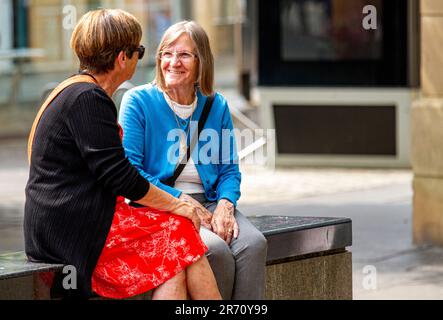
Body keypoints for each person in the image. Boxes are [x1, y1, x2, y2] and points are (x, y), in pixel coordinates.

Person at [24, 9, 221, 300]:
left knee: (176, 250)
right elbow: (121, 178)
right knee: (178, 235)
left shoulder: (79, 93)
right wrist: (178, 204)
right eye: (138, 51)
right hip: (71, 233)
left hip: (73, 220)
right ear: (122, 58)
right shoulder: (88, 99)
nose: (141, 58)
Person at [119, 20, 268, 300]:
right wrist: (182, 200)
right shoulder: (138, 101)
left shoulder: (215, 104)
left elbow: (229, 170)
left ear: (202, 62)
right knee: (215, 250)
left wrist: (226, 204)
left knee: (253, 244)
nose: (173, 62)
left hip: (211, 200)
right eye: (167, 53)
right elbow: (131, 172)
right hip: (161, 204)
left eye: (184, 55)